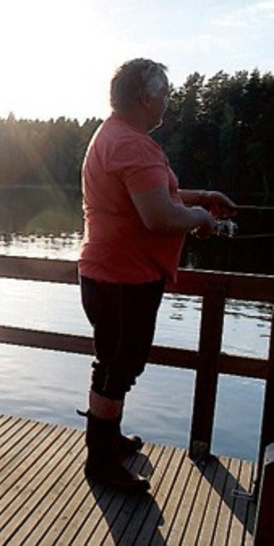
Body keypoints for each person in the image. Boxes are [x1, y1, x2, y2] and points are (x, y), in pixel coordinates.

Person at [78, 58, 236, 492]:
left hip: (109, 275)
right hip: (124, 280)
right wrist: (202, 217)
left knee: (112, 362)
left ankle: (107, 440)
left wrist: (200, 197)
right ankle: (101, 462)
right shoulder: (132, 144)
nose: (169, 98)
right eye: (165, 90)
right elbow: (159, 216)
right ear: (145, 97)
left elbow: (156, 197)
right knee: (120, 365)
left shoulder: (114, 134)